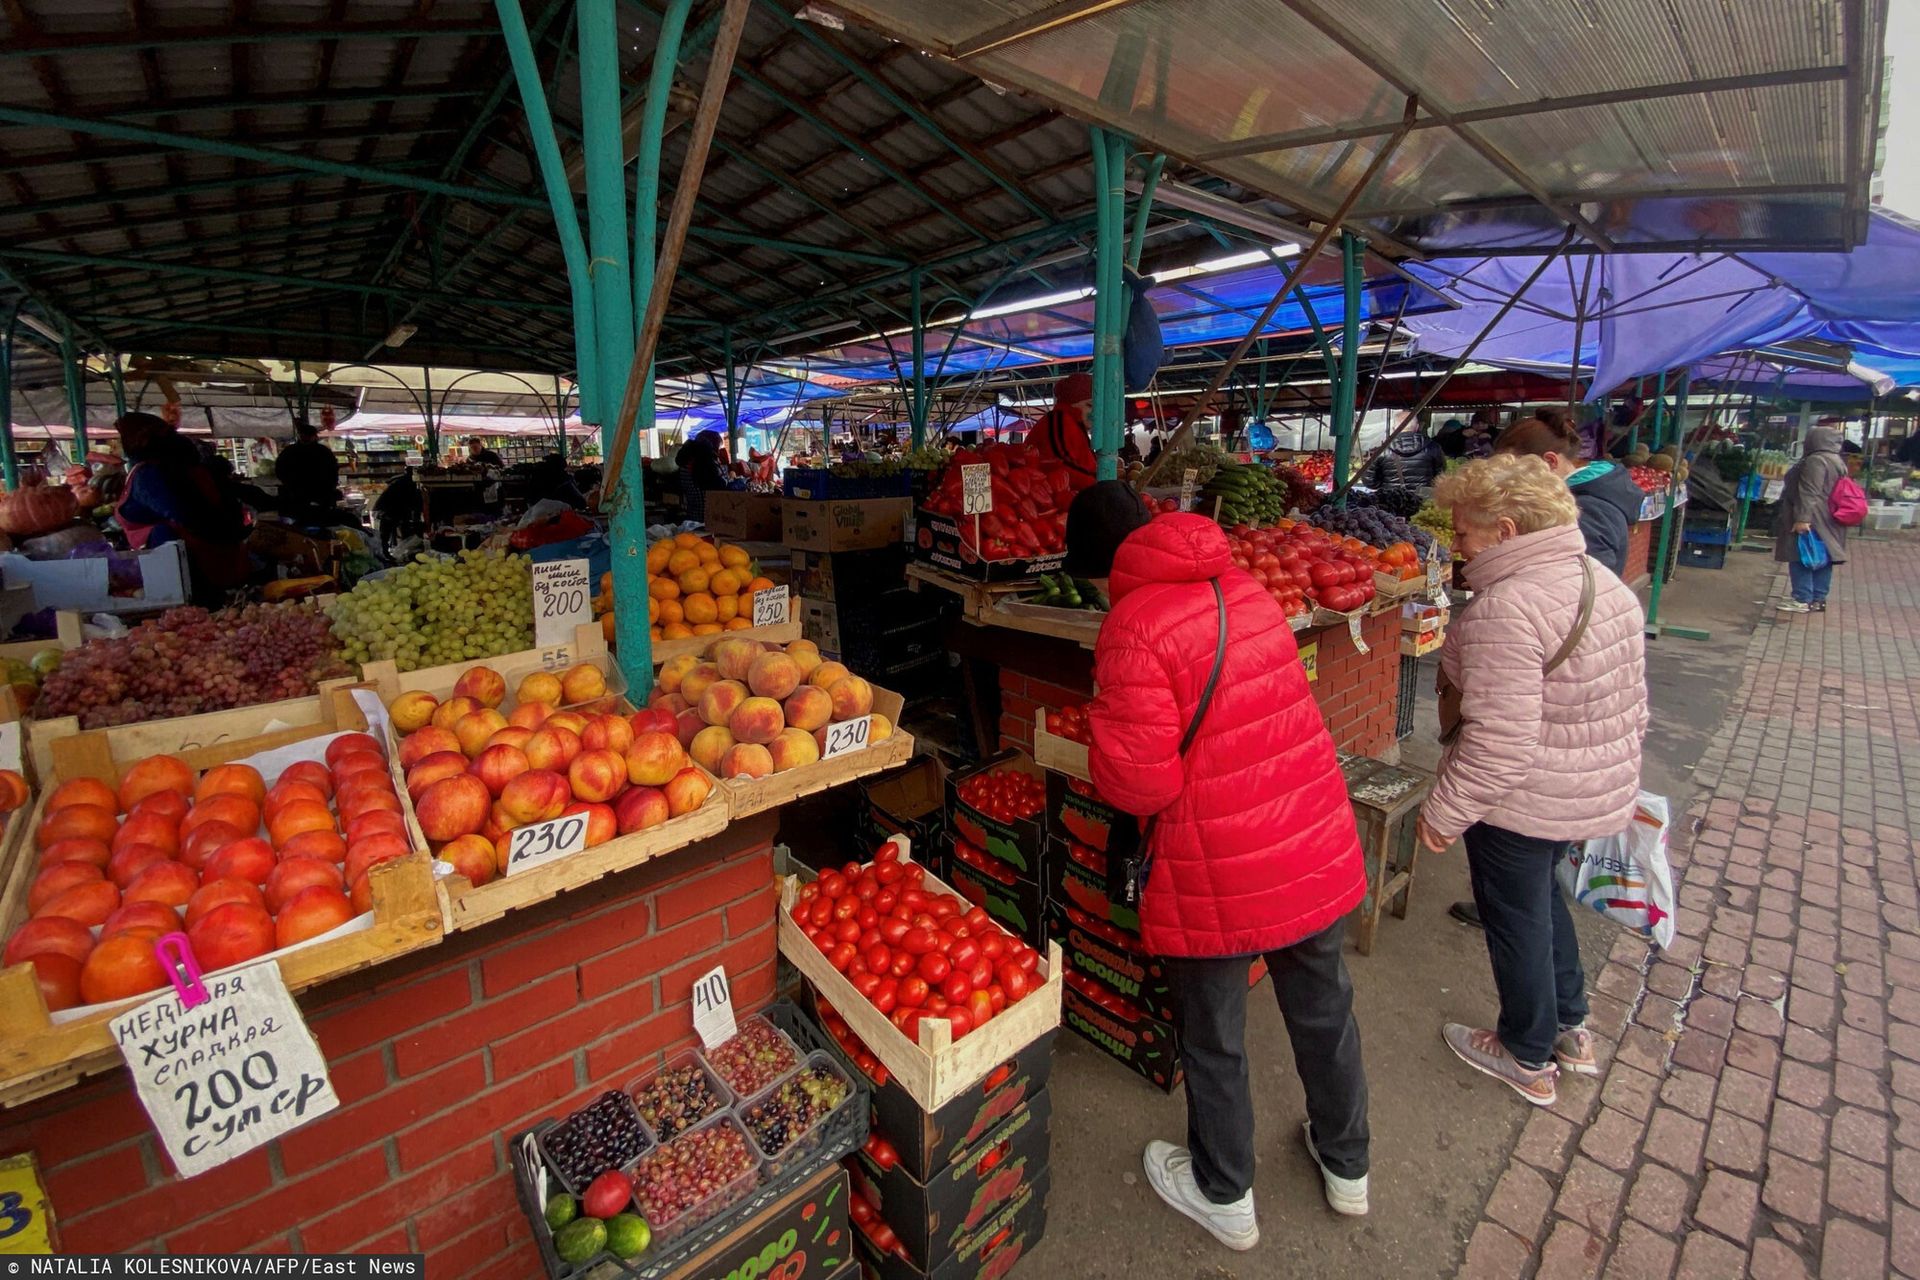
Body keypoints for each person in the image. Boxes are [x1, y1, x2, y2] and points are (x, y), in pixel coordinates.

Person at [1070, 480, 1372, 1248]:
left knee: (1214, 1034)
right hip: (1307, 836)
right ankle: (1347, 1168)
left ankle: (1224, 1192)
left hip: (1217, 861)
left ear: (1105, 566)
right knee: (1323, 1008)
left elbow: (1142, 783)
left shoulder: (1133, 626)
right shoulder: (1245, 589)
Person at [1418, 455, 1648, 1107]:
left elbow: (1499, 742)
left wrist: (1444, 811)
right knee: (1543, 903)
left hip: (1523, 800)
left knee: (1514, 918)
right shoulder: (1605, 582)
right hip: (1583, 789)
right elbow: (1634, 702)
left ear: (1507, 531)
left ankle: (1524, 1053)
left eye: (1464, 534)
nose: (1457, 546)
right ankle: (1570, 1027)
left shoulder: (1509, 608)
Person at [113, 412, 252, 604]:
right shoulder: (180, 465)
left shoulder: (148, 475)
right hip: (211, 554)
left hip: (188, 565)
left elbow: (182, 513)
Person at [1493, 412, 1642, 577]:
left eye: (1516, 470)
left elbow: (1584, 585)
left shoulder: (1586, 510)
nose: (1511, 480)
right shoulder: (1588, 496)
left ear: (1550, 461)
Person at [1773, 424, 1850, 614]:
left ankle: (1802, 598)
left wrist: (1802, 518)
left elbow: (1809, 491)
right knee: (1823, 556)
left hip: (1813, 515)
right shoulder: (1836, 460)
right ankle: (1818, 598)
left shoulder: (1816, 460)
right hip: (1830, 516)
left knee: (1801, 554)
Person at [1028, 371, 1097, 484]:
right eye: (1089, 405)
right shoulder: (1059, 419)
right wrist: (1097, 483)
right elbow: (1061, 463)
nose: (1094, 412)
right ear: (1071, 404)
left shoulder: (1076, 426)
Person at [274, 421, 341, 524]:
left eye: (307, 435)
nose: (305, 437)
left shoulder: (322, 452)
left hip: (314, 495)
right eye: (304, 435)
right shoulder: (322, 452)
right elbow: (280, 470)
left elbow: (333, 472)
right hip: (300, 496)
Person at [1365, 417, 1443, 491]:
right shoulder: (1433, 447)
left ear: (1394, 428)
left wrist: (1386, 485)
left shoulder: (1382, 451)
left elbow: (1369, 481)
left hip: (1392, 500)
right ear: (1417, 427)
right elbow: (1440, 476)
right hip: (1423, 499)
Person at [675, 429, 726, 523]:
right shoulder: (706, 465)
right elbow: (721, 487)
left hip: (692, 517)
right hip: (710, 518)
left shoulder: (684, 466)